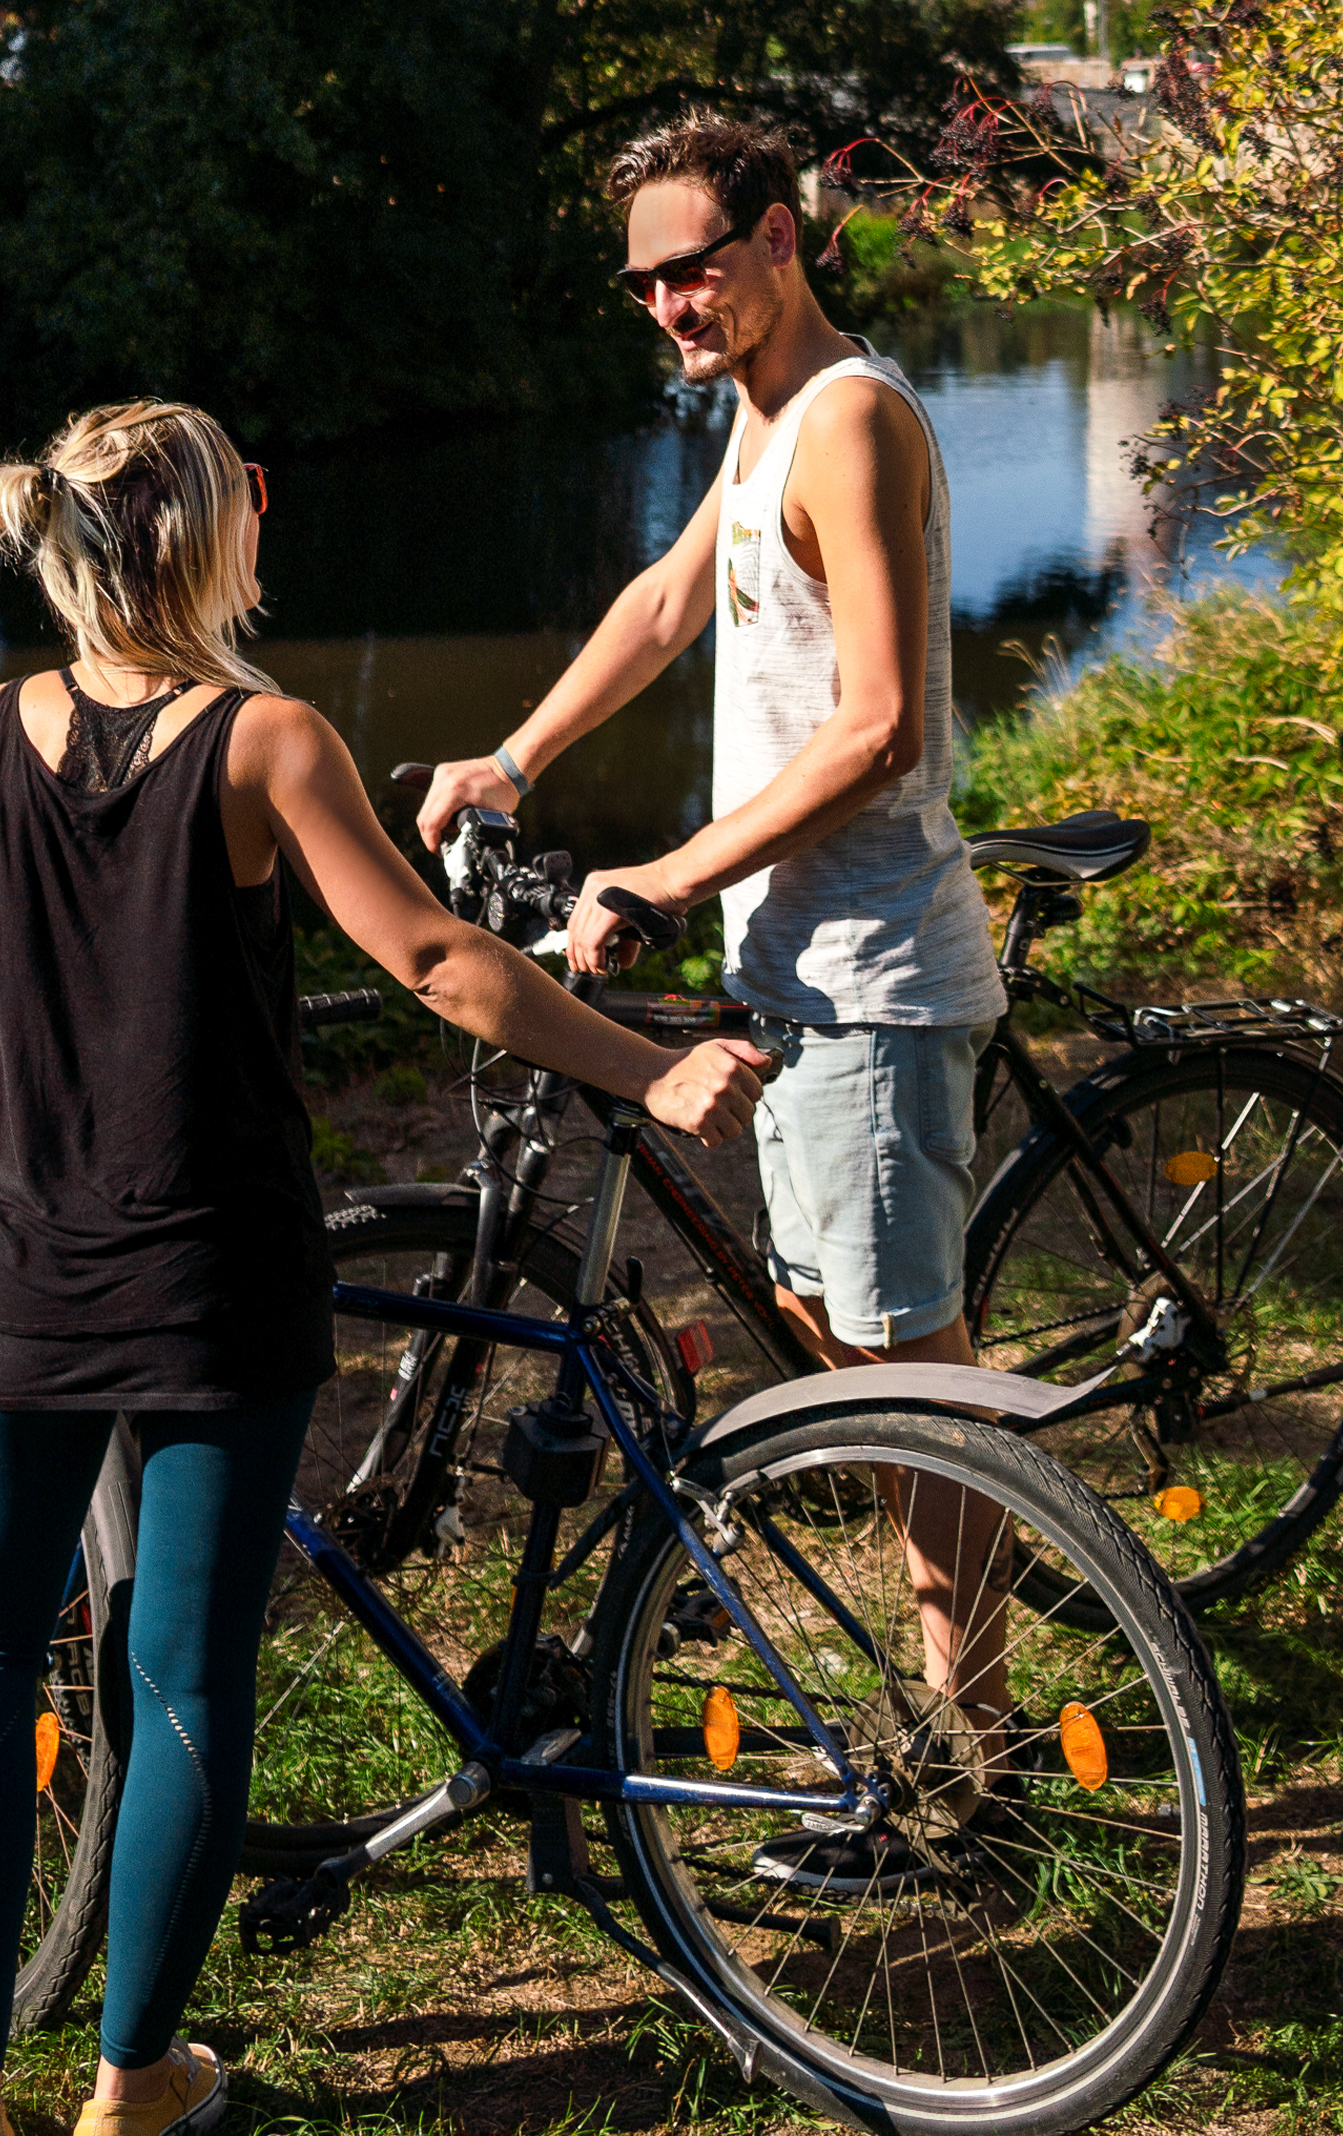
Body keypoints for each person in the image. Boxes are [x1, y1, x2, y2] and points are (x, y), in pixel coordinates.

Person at [0, 394, 766, 2136]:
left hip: (29, 1272)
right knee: (182, 1668)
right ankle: (134, 2082)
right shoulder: (266, 743)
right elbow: (436, 960)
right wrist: (646, 1071)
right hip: (222, 1273)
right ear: (215, 534)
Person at [412, 113, 1005, 1832]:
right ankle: (932, 1683)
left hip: (877, 972)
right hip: (793, 968)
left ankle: (961, 1757)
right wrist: (511, 761)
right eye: (646, 281)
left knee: (913, 1383)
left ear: (780, 238)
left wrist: (666, 869)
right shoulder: (757, 422)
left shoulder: (850, 423)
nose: (671, 300)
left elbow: (883, 725)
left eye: (696, 264)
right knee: (833, 1345)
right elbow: (667, 606)